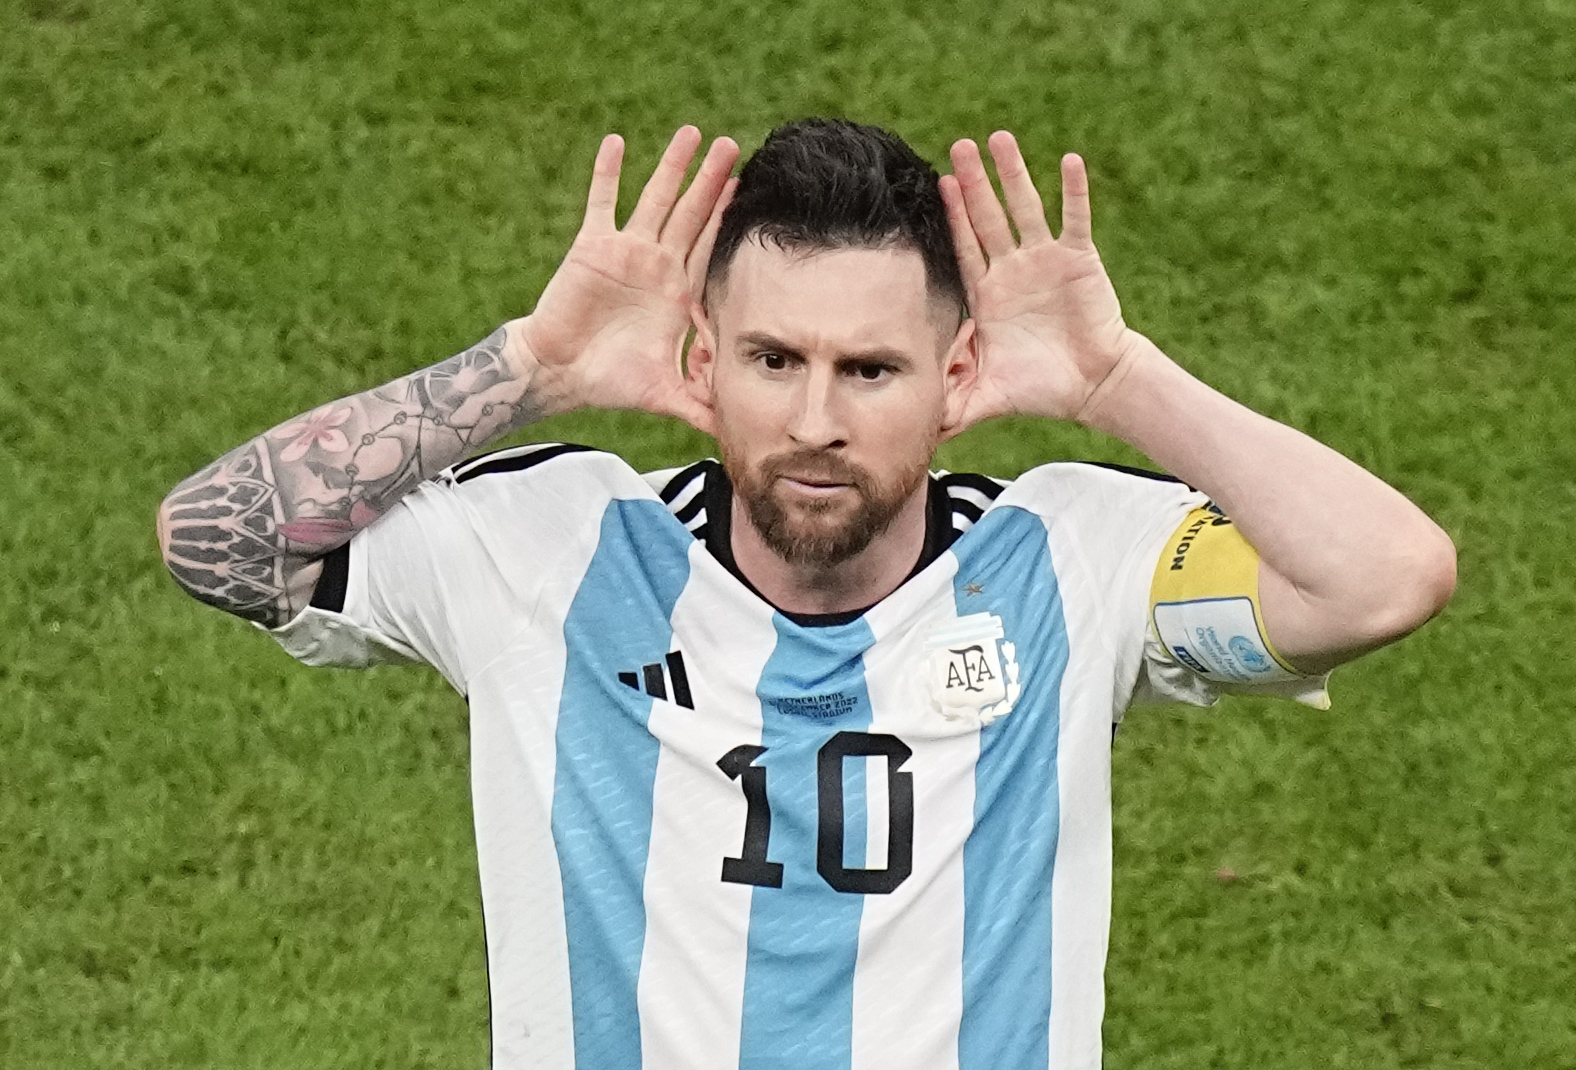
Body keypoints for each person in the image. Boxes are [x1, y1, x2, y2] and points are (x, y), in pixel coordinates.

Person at [157, 119, 1456, 1070]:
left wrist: (1118, 381)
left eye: (870, 369)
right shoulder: (555, 550)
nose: (816, 420)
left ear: (956, 377)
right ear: (704, 362)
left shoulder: (1069, 560)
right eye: (773, 359)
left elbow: (1381, 578)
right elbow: (217, 541)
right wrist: (533, 365)